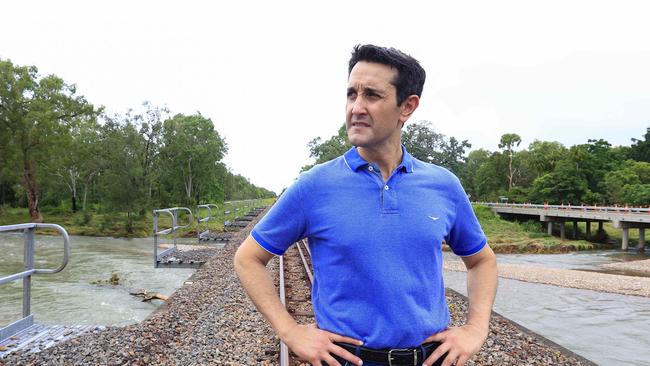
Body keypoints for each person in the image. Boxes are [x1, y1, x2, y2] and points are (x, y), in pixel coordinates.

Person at [234, 44, 497, 366]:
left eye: (372, 95)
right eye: (351, 94)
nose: (356, 107)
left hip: (429, 359)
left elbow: (482, 261)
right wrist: (289, 331)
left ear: (407, 107)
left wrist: (475, 328)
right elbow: (248, 258)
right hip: (348, 360)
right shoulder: (315, 185)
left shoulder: (443, 186)